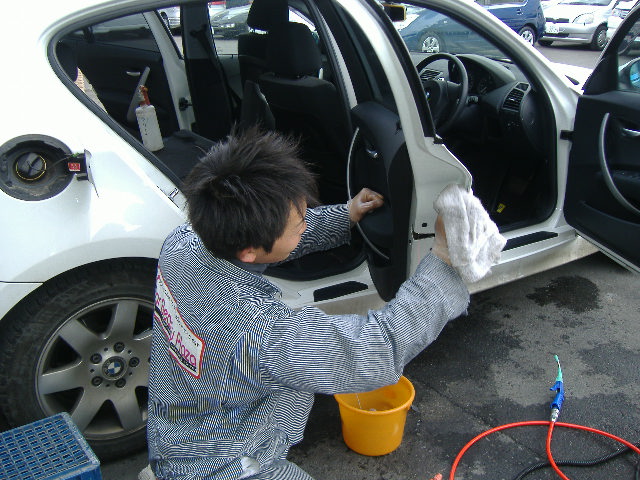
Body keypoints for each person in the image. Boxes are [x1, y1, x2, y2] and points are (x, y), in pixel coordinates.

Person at [144, 126, 470, 480]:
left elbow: (273, 235)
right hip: (223, 466)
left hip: (175, 432)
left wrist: (345, 215)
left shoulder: (183, 242)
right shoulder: (261, 332)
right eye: (299, 222)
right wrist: (444, 258)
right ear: (249, 250)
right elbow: (377, 347)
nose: (304, 222)